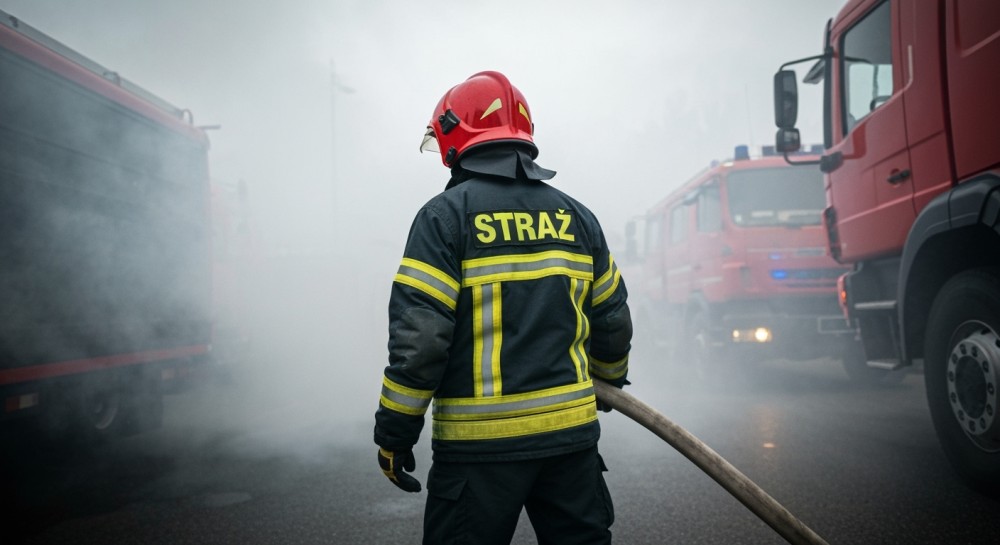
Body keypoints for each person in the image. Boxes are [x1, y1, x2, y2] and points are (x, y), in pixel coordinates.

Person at [374, 70, 633, 545]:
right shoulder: (577, 217)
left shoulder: (444, 218)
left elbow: (421, 341)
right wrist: (608, 380)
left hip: (480, 453)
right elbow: (612, 317)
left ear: (453, 137)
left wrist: (396, 431)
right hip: (571, 443)